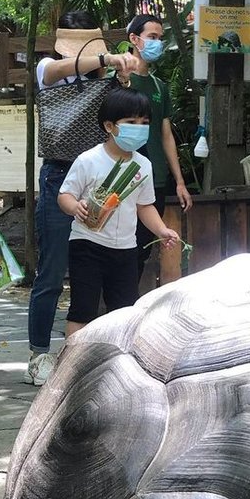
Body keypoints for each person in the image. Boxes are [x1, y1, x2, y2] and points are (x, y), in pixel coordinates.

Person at [25, 11, 139, 385]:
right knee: (53, 271)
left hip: (97, 178)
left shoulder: (103, 79)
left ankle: (94, 353)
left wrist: (119, 78)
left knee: (96, 267)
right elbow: (57, 71)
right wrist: (107, 59)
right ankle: (39, 354)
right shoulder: (48, 68)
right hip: (60, 175)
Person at [57, 88, 179, 338]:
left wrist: (161, 230)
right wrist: (74, 207)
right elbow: (64, 195)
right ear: (110, 126)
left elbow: (144, 206)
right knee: (83, 309)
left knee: (124, 312)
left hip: (125, 249)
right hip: (87, 245)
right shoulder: (88, 160)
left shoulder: (143, 165)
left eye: (144, 123)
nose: (140, 128)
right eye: (131, 122)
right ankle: (72, 367)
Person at [124, 14, 194, 280]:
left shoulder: (159, 86)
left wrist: (179, 181)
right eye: (152, 37)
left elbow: (166, 134)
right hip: (123, 177)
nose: (157, 44)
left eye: (159, 39)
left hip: (156, 177)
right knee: (121, 246)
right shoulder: (117, 80)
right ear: (134, 39)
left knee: (143, 248)